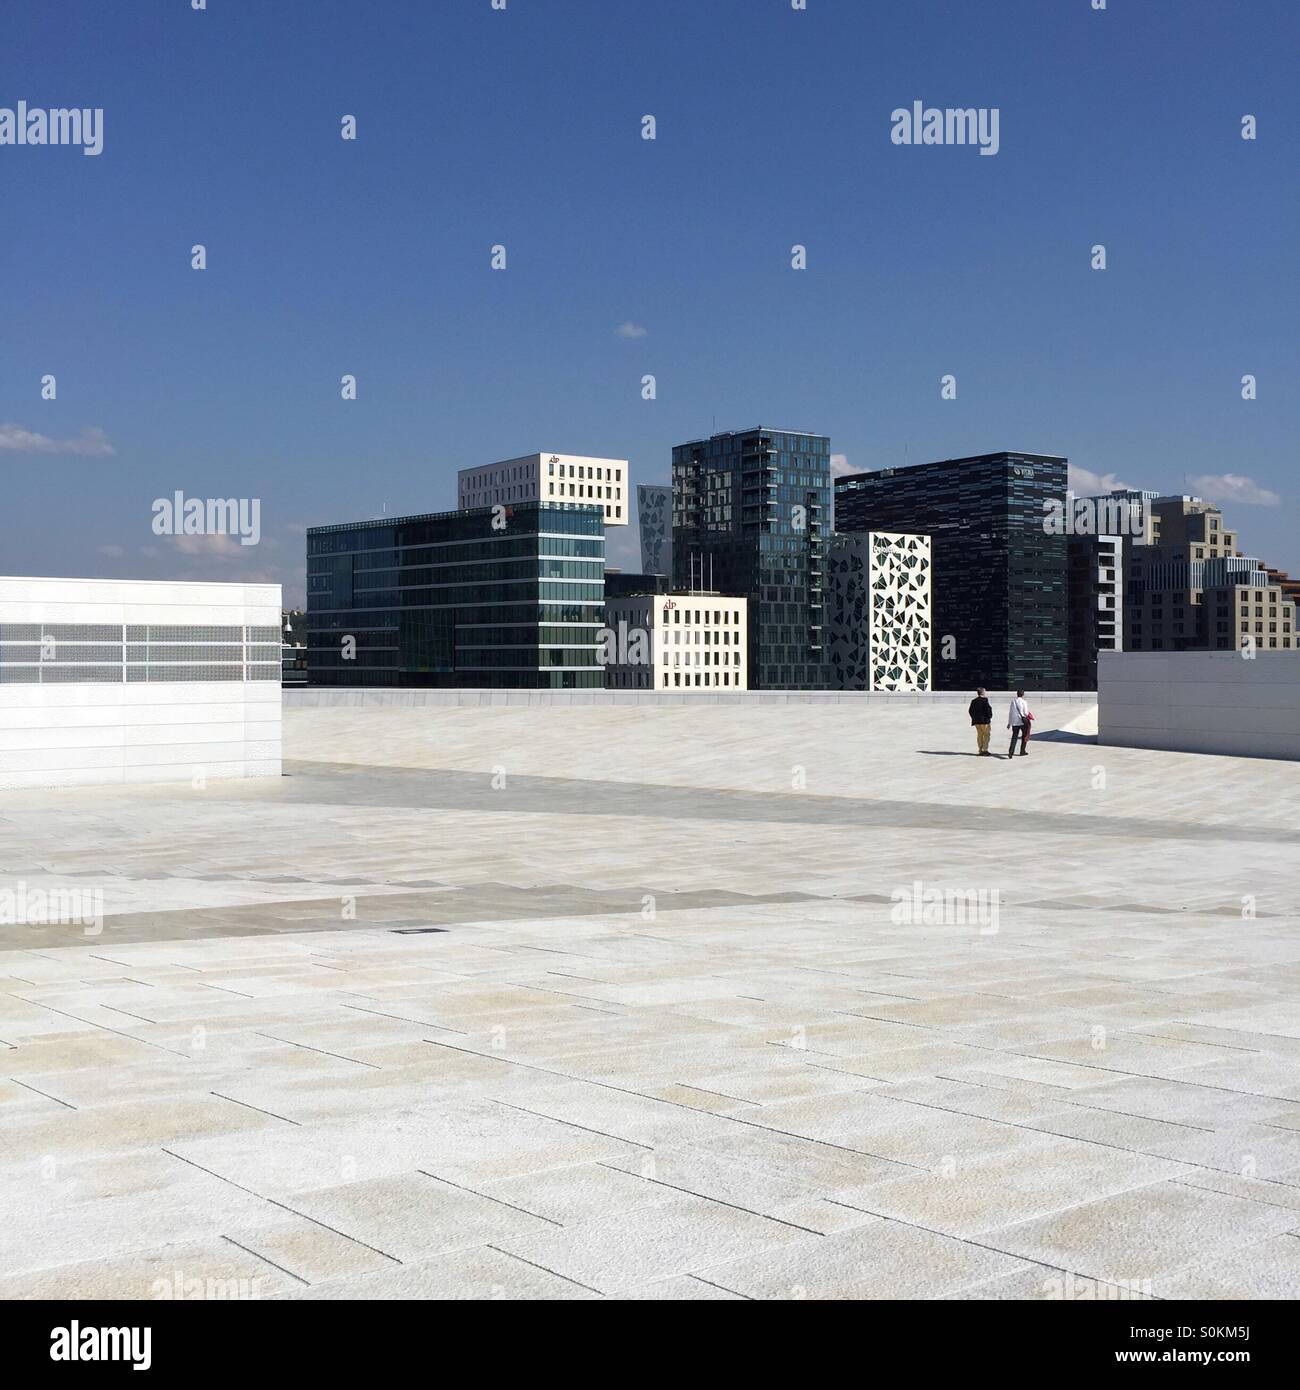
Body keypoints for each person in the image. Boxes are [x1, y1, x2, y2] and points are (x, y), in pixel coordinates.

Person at [968, 688, 992, 755]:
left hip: (976, 721)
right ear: (983, 692)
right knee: (987, 735)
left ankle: (980, 750)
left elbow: (970, 711)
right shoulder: (985, 700)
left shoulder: (974, 701)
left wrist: (974, 717)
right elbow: (988, 710)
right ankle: (985, 750)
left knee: (980, 735)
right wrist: (989, 717)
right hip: (984, 721)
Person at [1007, 689, 1031, 758]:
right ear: (1023, 695)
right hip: (1022, 722)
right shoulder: (1024, 702)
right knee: (1025, 735)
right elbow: (1026, 713)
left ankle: (1011, 752)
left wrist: (1009, 723)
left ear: (1017, 694)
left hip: (1014, 722)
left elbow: (1010, 712)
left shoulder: (1013, 701)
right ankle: (1022, 751)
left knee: (1014, 737)